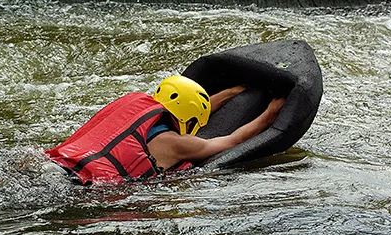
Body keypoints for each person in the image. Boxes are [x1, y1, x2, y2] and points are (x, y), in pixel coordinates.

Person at [45, 75, 285, 184]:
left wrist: (233, 92)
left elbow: (190, 108)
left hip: (54, 166)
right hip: (77, 187)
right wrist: (271, 114)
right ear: (188, 119)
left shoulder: (136, 105)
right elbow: (231, 141)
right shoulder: (175, 143)